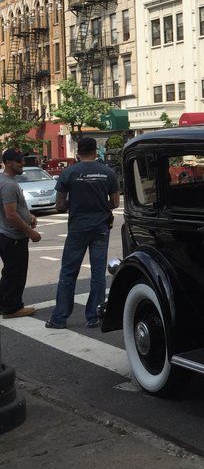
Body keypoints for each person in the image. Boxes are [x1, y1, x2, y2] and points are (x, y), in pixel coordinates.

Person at [46, 137, 120, 329]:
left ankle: (59, 318)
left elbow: (59, 204)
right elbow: (115, 202)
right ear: (95, 152)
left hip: (77, 228)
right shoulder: (108, 172)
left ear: (78, 153)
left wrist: (75, 204)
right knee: (98, 273)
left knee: (68, 272)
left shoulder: (68, 173)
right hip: (101, 227)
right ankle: (94, 316)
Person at [0, 149, 41, 319]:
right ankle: (12, 308)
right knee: (16, 273)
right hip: (13, 236)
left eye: (22, 160)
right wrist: (31, 232)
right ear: (8, 163)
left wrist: (29, 215)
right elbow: (11, 214)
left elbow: (15, 209)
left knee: (9, 271)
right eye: (19, 161)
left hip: (5, 234)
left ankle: (3, 304)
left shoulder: (4, 180)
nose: (22, 163)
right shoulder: (9, 185)